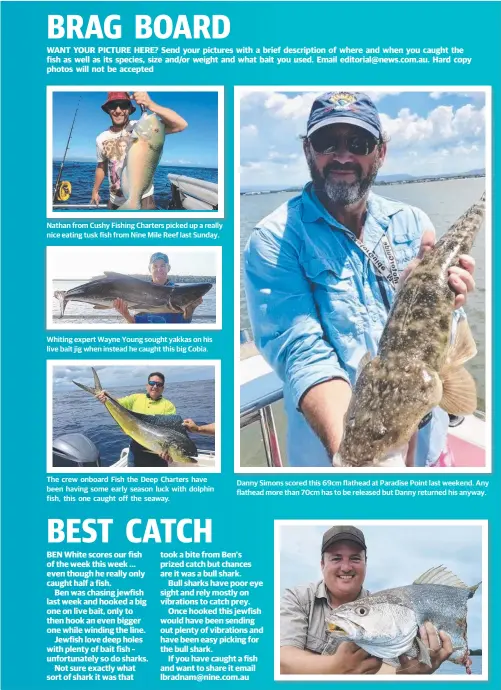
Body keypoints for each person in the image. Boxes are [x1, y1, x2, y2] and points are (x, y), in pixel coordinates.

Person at [244, 91, 476, 468]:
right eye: (326, 142)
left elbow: (443, 342)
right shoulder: (274, 239)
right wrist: (356, 461)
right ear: (307, 150)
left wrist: (453, 300)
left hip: (431, 451)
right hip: (335, 458)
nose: (343, 156)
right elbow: (304, 355)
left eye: (358, 142)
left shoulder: (413, 223)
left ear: (380, 152)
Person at [280, 525, 453, 675]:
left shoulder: (386, 614)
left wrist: (408, 676)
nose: (346, 567)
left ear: (365, 563)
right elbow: (281, 660)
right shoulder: (297, 598)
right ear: (322, 565)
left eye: (355, 558)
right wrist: (335, 667)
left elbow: (388, 670)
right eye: (336, 558)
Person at [91, 91, 188, 210]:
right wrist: (95, 191)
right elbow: (101, 166)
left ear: (129, 109)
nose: (118, 110)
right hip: (115, 199)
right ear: (108, 110)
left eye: (123, 105)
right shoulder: (101, 138)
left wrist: (150, 104)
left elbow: (181, 125)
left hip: (144, 198)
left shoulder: (140, 126)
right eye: (113, 106)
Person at [96, 371, 175, 467]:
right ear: (147, 385)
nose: (155, 386)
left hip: (158, 455)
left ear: (163, 388)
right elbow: (118, 403)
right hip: (136, 451)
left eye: (159, 384)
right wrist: (106, 396)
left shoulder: (169, 406)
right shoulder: (136, 398)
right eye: (152, 383)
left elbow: (169, 432)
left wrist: (168, 453)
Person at [113, 252, 203, 324]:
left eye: (163, 266)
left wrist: (191, 308)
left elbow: (183, 324)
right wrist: (125, 314)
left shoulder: (179, 294)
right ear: (150, 269)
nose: (159, 270)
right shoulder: (139, 292)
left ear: (168, 268)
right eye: (155, 266)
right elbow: (136, 324)